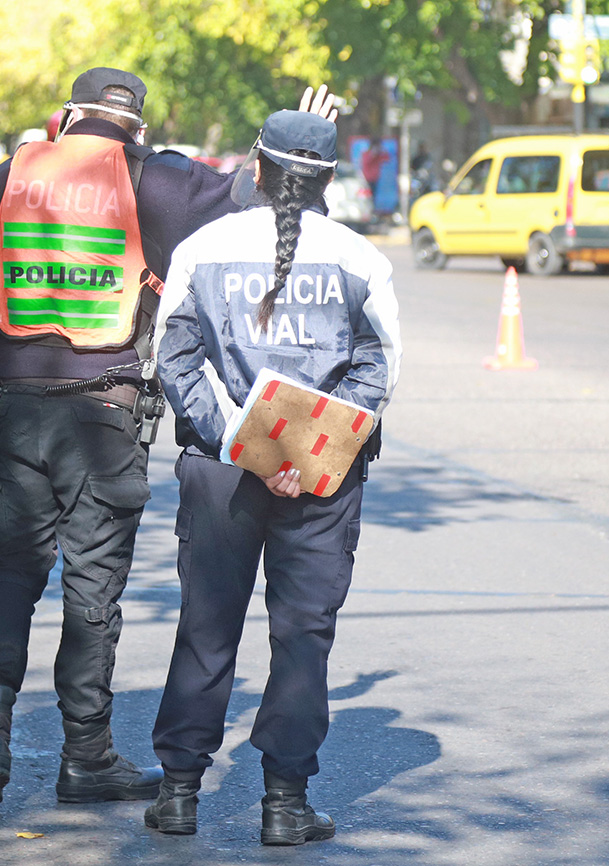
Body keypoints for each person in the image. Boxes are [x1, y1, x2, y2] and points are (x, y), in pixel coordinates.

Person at [0, 67, 339, 809]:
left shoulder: (10, 175)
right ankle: (85, 758)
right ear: (136, 126)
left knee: (12, 570)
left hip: (20, 403)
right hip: (107, 415)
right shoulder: (156, 179)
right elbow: (258, 195)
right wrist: (292, 137)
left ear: (65, 116)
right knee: (92, 587)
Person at [144, 110, 401, 845]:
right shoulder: (361, 259)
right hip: (322, 482)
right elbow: (378, 368)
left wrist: (241, 441)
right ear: (328, 179)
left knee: (205, 627)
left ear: (255, 168)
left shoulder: (205, 247)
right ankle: (285, 807)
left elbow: (175, 359)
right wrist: (304, 455)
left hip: (222, 472)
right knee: (302, 638)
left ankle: (179, 795)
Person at [360, 135, 389, 200]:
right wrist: (373, 154)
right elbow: (366, 162)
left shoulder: (379, 154)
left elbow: (387, 159)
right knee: (368, 196)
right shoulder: (366, 153)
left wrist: (382, 150)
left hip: (376, 178)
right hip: (367, 178)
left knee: (374, 195)